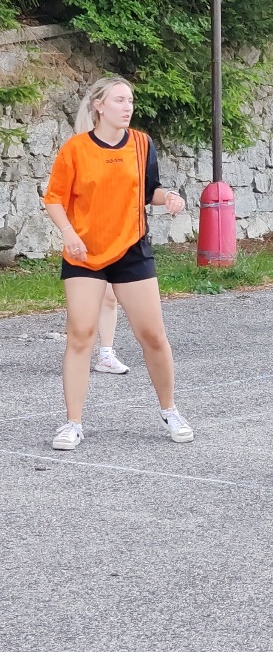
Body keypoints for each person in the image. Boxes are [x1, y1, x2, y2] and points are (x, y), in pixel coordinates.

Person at [42, 76, 194, 450]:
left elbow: (149, 191)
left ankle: (171, 410)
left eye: (130, 101)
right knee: (80, 334)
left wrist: (168, 198)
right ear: (99, 105)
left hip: (131, 250)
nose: (128, 107)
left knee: (153, 335)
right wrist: (69, 233)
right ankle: (73, 423)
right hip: (84, 254)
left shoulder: (142, 143)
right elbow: (54, 199)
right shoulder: (76, 149)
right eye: (119, 100)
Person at [72, 95, 131, 375]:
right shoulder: (78, 149)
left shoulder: (126, 147)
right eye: (119, 101)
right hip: (85, 238)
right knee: (92, 300)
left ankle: (105, 354)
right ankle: (80, 350)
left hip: (116, 236)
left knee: (109, 297)